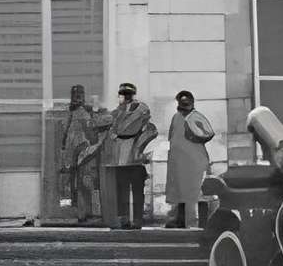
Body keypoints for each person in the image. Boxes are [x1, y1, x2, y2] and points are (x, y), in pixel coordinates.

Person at [100, 82, 156, 230]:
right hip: (120, 158)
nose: (125, 97)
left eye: (127, 94)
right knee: (121, 190)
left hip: (136, 157)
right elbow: (111, 130)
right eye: (123, 94)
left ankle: (137, 220)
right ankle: (124, 219)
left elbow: (149, 131)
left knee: (137, 191)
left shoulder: (142, 111)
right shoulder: (116, 113)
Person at [165, 89, 216, 228]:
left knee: (194, 193)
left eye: (185, 102)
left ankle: (195, 223)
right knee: (179, 192)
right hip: (179, 161)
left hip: (194, 162)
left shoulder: (196, 117)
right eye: (182, 102)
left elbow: (208, 133)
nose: (183, 105)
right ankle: (180, 220)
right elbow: (172, 138)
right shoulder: (176, 117)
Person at [59, 83, 98, 224]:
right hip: (75, 151)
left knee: (83, 182)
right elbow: (64, 132)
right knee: (75, 183)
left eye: (79, 95)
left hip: (83, 151)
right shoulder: (72, 112)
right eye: (75, 95)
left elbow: (90, 131)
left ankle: (84, 213)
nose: (77, 98)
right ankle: (80, 212)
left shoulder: (84, 112)